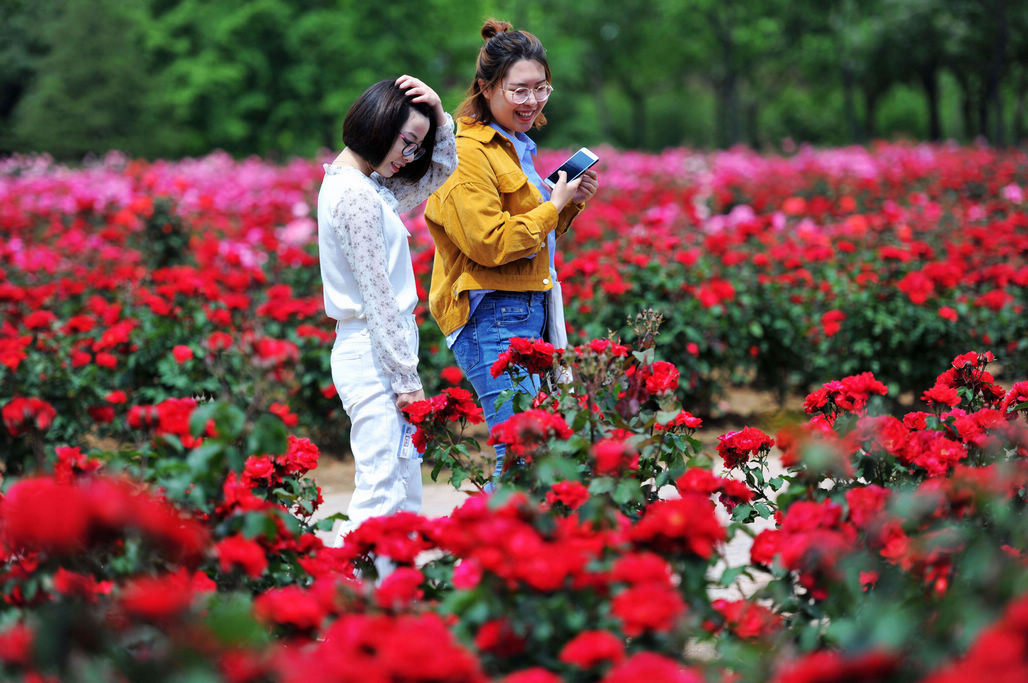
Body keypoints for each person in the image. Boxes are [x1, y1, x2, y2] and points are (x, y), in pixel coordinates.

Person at [424, 20, 599, 483]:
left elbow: (529, 238)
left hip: (526, 309)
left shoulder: (514, 146)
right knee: (522, 454)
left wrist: (566, 205)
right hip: (490, 314)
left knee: (534, 452)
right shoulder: (467, 151)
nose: (533, 101)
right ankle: (494, 552)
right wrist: (552, 207)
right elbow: (489, 243)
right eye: (519, 90)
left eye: (541, 88)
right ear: (486, 87)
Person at [317, 75, 456, 545]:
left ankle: (389, 600)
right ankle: (352, 599)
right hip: (374, 355)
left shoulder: (365, 186)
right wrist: (407, 383)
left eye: (417, 146)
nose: (411, 156)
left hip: (379, 351)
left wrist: (439, 117)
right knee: (382, 492)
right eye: (408, 142)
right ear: (379, 124)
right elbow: (378, 298)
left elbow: (440, 172)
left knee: (401, 490)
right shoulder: (356, 196)